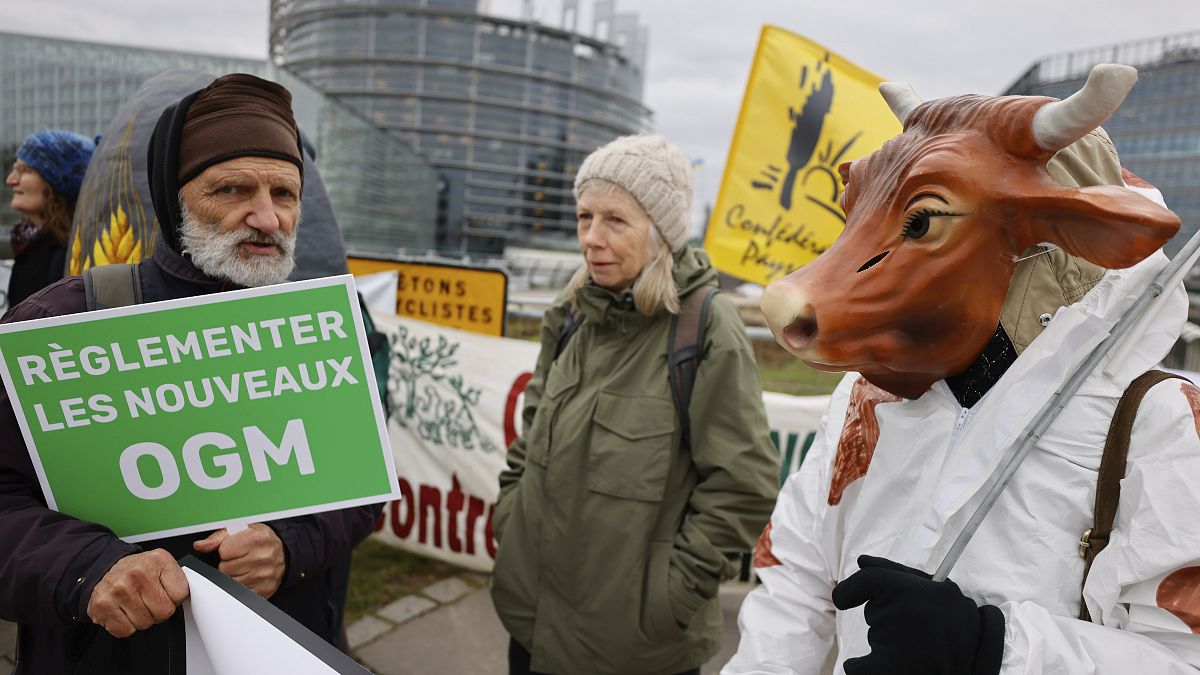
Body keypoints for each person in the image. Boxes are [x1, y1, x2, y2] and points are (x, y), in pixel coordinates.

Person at [729, 73, 1200, 673]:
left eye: (922, 221)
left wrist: (990, 648)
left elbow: (1185, 658)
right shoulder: (864, 399)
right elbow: (792, 579)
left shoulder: (1161, 423)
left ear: (1058, 233)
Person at [0, 73, 381, 674]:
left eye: (284, 194)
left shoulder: (322, 331)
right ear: (173, 195)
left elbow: (362, 487)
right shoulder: (61, 322)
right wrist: (86, 569)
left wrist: (291, 547)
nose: (266, 217)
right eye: (232, 189)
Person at [490, 134, 780, 675]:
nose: (591, 238)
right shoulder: (571, 313)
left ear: (662, 232)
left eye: (615, 221)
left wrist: (670, 598)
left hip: (637, 650)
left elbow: (744, 485)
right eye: (584, 217)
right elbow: (531, 436)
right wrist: (511, 519)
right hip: (530, 624)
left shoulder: (705, 329)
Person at [5, 129, 94, 306]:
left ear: (56, 183)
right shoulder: (28, 244)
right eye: (15, 168)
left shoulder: (66, 256)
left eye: (24, 170)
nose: (11, 180)